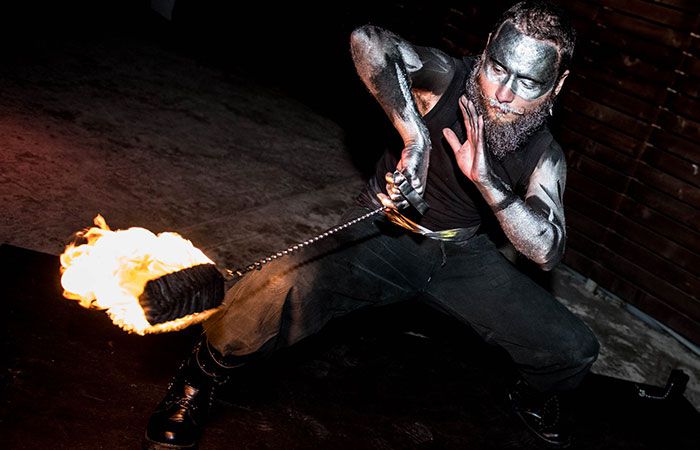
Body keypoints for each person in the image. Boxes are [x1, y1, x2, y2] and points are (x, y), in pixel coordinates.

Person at [144, 1, 599, 448]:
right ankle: (196, 380)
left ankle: (533, 396)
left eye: (526, 83)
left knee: (572, 348)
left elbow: (546, 252)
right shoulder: (446, 77)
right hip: (385, 231)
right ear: (487, 48)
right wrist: (415, 138)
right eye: (498, 69)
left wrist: (488, 182)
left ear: (557, 85)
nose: (502, 93)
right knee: (271, 292)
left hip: (463, 256)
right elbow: (368, 41)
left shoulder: (546, 154)